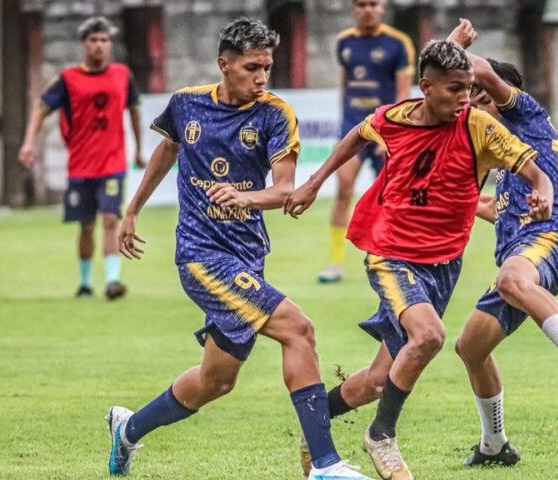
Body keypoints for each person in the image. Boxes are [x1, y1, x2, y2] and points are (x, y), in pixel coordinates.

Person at [107, 18, 372, 480]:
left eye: (267, 67)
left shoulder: (275, 114)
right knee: (299, 329)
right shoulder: (187, 104)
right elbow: (167, 150)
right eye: (252, 67)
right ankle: (326, 467)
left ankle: (128, 430)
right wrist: (133, 209)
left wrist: (245, 196)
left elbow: (285, 190)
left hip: (247, 256)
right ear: (224, 65)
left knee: (216, 381)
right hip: (200, 256)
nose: (261, 78)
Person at [286, 40, 555, 480]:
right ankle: (381, 436)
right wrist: (314, 182)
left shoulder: (480, 127)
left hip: (443, 265)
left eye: (470, 88)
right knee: (429, 336)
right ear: (426, 89)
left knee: (378, 380)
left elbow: (534, 169)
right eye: (455, 90)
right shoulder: (395, 118)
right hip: (391, 254)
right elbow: (358, 133)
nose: (466, 99)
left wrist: (542, 189)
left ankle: (315, 428)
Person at [445, 20, 558, 467]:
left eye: (484, 100)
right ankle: (495, 445)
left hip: (551, 239)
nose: (478, 110)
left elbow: (479, 70)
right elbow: (491, 208)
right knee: (470, 347)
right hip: (518, 261)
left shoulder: (530, 120)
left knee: (510, 278)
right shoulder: (495, 155)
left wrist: (452, 48)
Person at [19, 16, 145, 300]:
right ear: (84, 45)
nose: (99, 46)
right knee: (86, 225)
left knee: (111, 219)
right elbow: (40, 108)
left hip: (113, 162)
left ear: (110, 44)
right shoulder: (67, 80)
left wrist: (138, 148)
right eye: (94, 40)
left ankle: (114, 281)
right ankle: (86, 282)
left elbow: (135, 109)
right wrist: (29, 144)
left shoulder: (123, 75)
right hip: (81, 165)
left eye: (104, 40)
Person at [318, 0, 415, 283]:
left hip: (386, 128)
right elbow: (345, 86)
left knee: (393, 196)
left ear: (383, 8)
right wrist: (344, 125)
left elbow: (404, 94)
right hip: (353, 127)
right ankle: (336, 264)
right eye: (361, 4)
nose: (367, 9)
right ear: (353, 9)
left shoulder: (399, 44)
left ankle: (396, 258)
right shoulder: (344, 42)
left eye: (373, 4)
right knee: (343, 190)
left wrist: (394, 133)